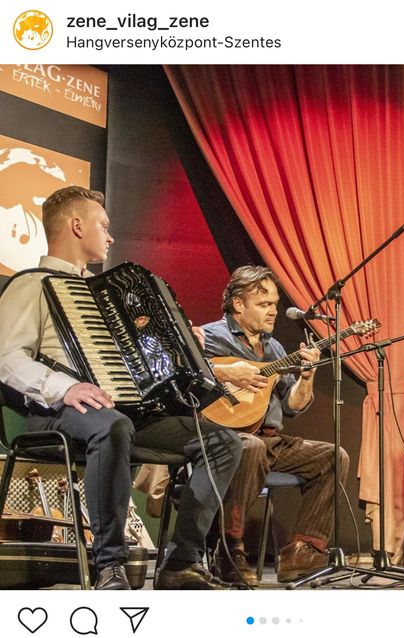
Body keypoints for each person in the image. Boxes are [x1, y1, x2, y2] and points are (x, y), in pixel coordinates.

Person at [0, 186, 242, 590]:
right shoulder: (33, 285)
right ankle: (109, 563)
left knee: (223, 442)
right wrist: (63, 387)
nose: (111, 237)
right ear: (77, 226)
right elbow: (6, 355)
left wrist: (180, 343)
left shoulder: (105, 292)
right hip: (54, 413)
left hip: (122, 414)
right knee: (113, 426)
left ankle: (181, 561)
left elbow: (138, 361)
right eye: (104, 225)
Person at [202, 265, 350, 585]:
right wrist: (228, 374)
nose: (273, 311)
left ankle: (301, 552)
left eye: (274, 303)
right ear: (238, 303)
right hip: (224, 439)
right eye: (264, 304)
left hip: (270, 439)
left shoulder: (275, 348)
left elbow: (291, 407)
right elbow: (185, 370)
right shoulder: (211, 336)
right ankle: (228, 549)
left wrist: (306, 378)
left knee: (334, 456)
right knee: (250, 446)